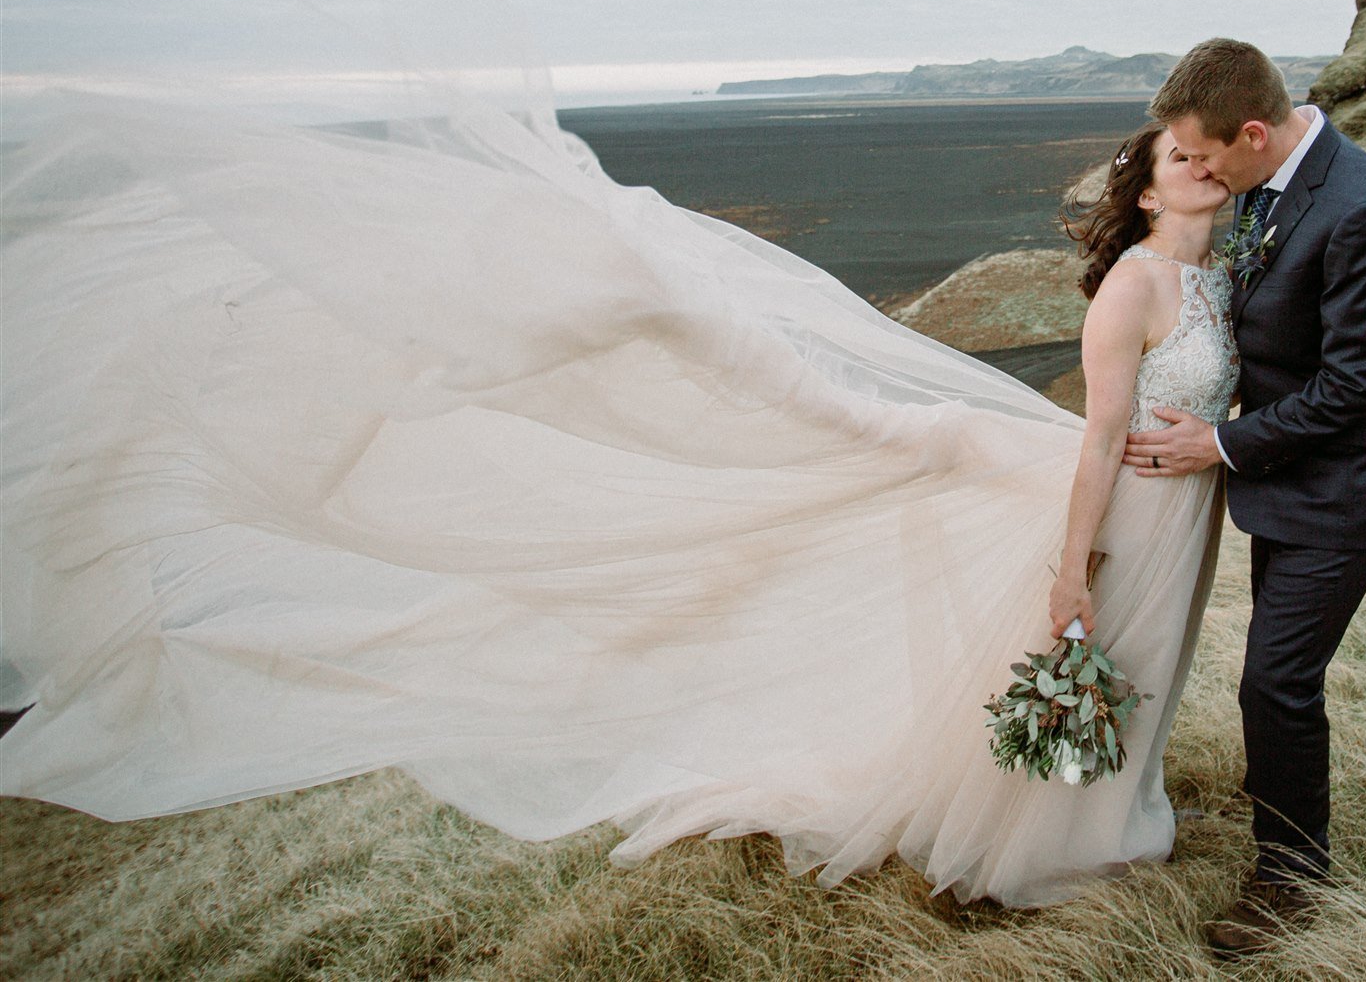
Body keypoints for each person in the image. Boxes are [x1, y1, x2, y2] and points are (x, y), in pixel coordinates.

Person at [0, 81, 1234, 910]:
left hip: (1164, 499)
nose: (1196, 170)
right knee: (1075, 631)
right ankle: (1056, 842)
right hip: (1097, 491)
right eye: (1174, 159)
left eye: (1207, 155)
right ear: (1141, 188)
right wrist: (1072, 564)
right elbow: (1101, 434)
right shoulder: (1133, 282)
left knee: (1122, 652)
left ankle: (1094, 804)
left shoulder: (1215, 261)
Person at [1122, 37, 1366, 958]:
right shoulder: (1274, 180)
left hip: (1349, 486)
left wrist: (1216, 441)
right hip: (1287, 483)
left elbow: (1355, 388)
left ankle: (1291, 880)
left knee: (1276, 679)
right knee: (1275, 674)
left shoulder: (1365, 210)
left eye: (1206, 157)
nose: (1199, 173)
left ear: (1253, 133)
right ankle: (1286, 835)